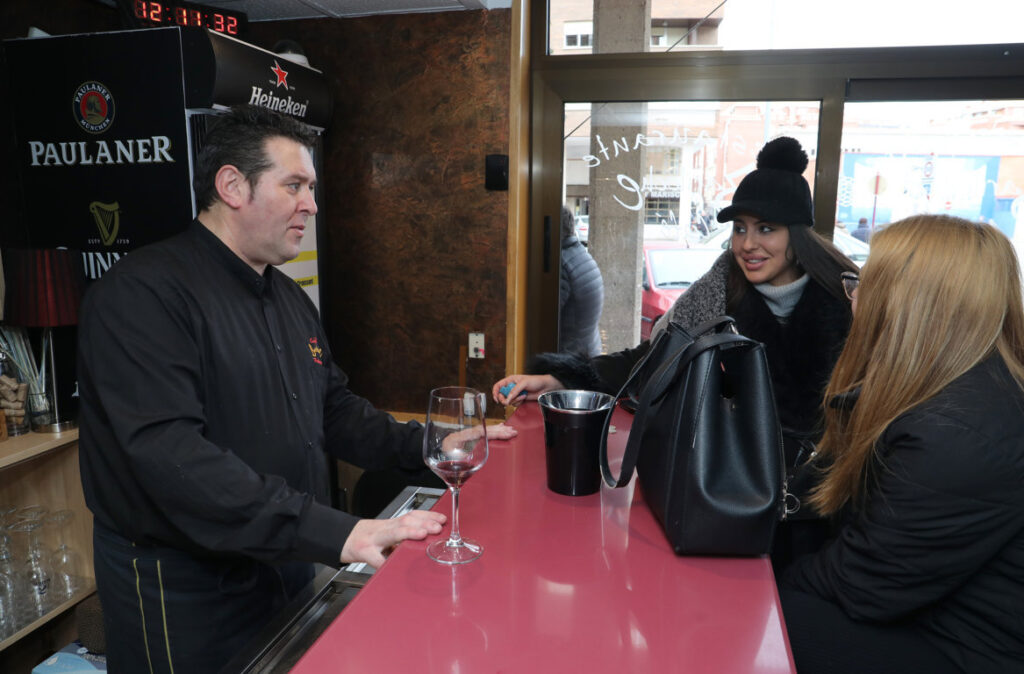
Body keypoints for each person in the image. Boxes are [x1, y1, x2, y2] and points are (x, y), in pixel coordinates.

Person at [77, 104, 514, 673]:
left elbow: (331, 409)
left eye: (310, 187)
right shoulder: (143, 295)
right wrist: (340, 531)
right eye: (294, 185)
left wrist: (431, 446)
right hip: (184, 587)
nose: (310, 203)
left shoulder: (286, 296)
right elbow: (172, 460)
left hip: (282, 562)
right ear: (232, 185)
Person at [493, 137, 857, 571]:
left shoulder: (848, 299)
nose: (747, 244)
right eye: (739, 228)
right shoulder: (719, 286)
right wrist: (561, 378)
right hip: (728, 486)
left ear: (797, 235)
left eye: (765, 228)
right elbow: (654, 360)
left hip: (820, 504)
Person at [779, 214, 1024, 673]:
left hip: (969, 650)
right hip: (939, 621)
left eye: (865, 284)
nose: (853, 300)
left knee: (775, 620)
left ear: (910, 304)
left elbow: (865, 586)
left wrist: (764, 584)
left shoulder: (958, 434)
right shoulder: (951, 390)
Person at [559, 205, 604, 357]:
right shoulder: (581, 255)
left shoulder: (561, 264)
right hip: (587, 351)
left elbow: (545, 315)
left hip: (569, 359)